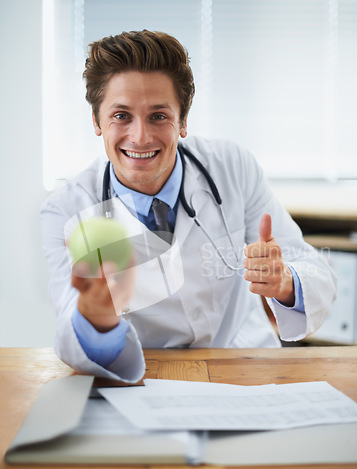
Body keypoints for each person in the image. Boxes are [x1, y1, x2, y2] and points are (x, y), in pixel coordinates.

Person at [40, 30, 336, 382]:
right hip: (146, 379)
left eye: (158, 116)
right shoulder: (67, 210)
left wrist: (285, 281)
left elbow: (314, 269)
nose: (140, 137)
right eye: (121, 115)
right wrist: (96, 317)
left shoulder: (231, 166)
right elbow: (71, 333)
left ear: (182, 122)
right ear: (96, 121)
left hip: (245, 367)